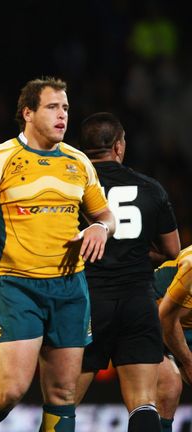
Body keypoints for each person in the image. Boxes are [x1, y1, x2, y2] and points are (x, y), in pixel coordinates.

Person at [0, 77, 116, 432]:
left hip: (71, 290)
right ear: (27, 112)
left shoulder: (79, 162)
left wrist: (100, 227)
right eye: (52, 107)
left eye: (66, 108)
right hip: (19, 287)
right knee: (11, 389)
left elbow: (106, 216)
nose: (62, 116)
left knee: (63, 393)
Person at [73, 112, 180, 431]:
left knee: (62, 400)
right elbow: (173, 251)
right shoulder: (151, 189)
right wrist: (136, 249)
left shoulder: (71, 189)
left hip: (88, 302)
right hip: (137, 301)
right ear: (119, 146)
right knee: (143, 400)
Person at [156, 245, 192, 432]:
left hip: (185, 326)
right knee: (169, 387)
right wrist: (188, 361)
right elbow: (166, 319)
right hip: (153, 318)